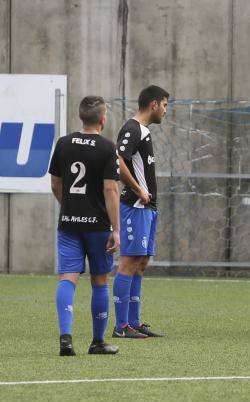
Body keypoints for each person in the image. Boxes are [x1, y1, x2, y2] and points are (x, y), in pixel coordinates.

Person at [49, 96, 121, 356]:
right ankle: (97, 342)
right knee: (100, 279)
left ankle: (66, 338)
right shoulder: (106, 148)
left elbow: (56, 184)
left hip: (69, 222)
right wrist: (116, 229)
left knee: (68, 277)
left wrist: (68, 206)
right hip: (98, 225)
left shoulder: (64, 143)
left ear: (81, 117)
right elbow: (111, 189)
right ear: (103, 118)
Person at [112, 85, 169, 339]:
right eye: (165, 105)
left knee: (141, 262)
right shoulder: (132, 128)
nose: (166, 111)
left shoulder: (143, 131)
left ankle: (133, 322)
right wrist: (137, 189)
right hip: (135, 206)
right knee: (129, 262)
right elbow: (118, 160)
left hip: (148, 207)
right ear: (154, 104)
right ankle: (120, 326)